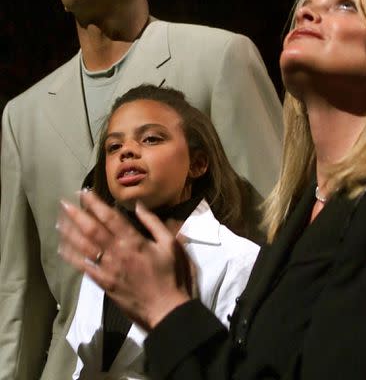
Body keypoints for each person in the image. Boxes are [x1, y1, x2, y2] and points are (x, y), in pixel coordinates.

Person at [59, 0, 366, 379]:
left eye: (344, 4)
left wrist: (167, 309)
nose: (305, 11)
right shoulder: (295, 221)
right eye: (307, 3)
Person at [0, 0, 282, 380]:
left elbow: (274, 217)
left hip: (198, 355)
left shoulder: (221, 56)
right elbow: (20, 286)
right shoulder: (22, 114)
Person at [64, 84, 260, 379]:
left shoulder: (239, 260)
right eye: (113, 147)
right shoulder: (101, 260)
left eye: (151, 138)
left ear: (197, 163)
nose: (127, 151)